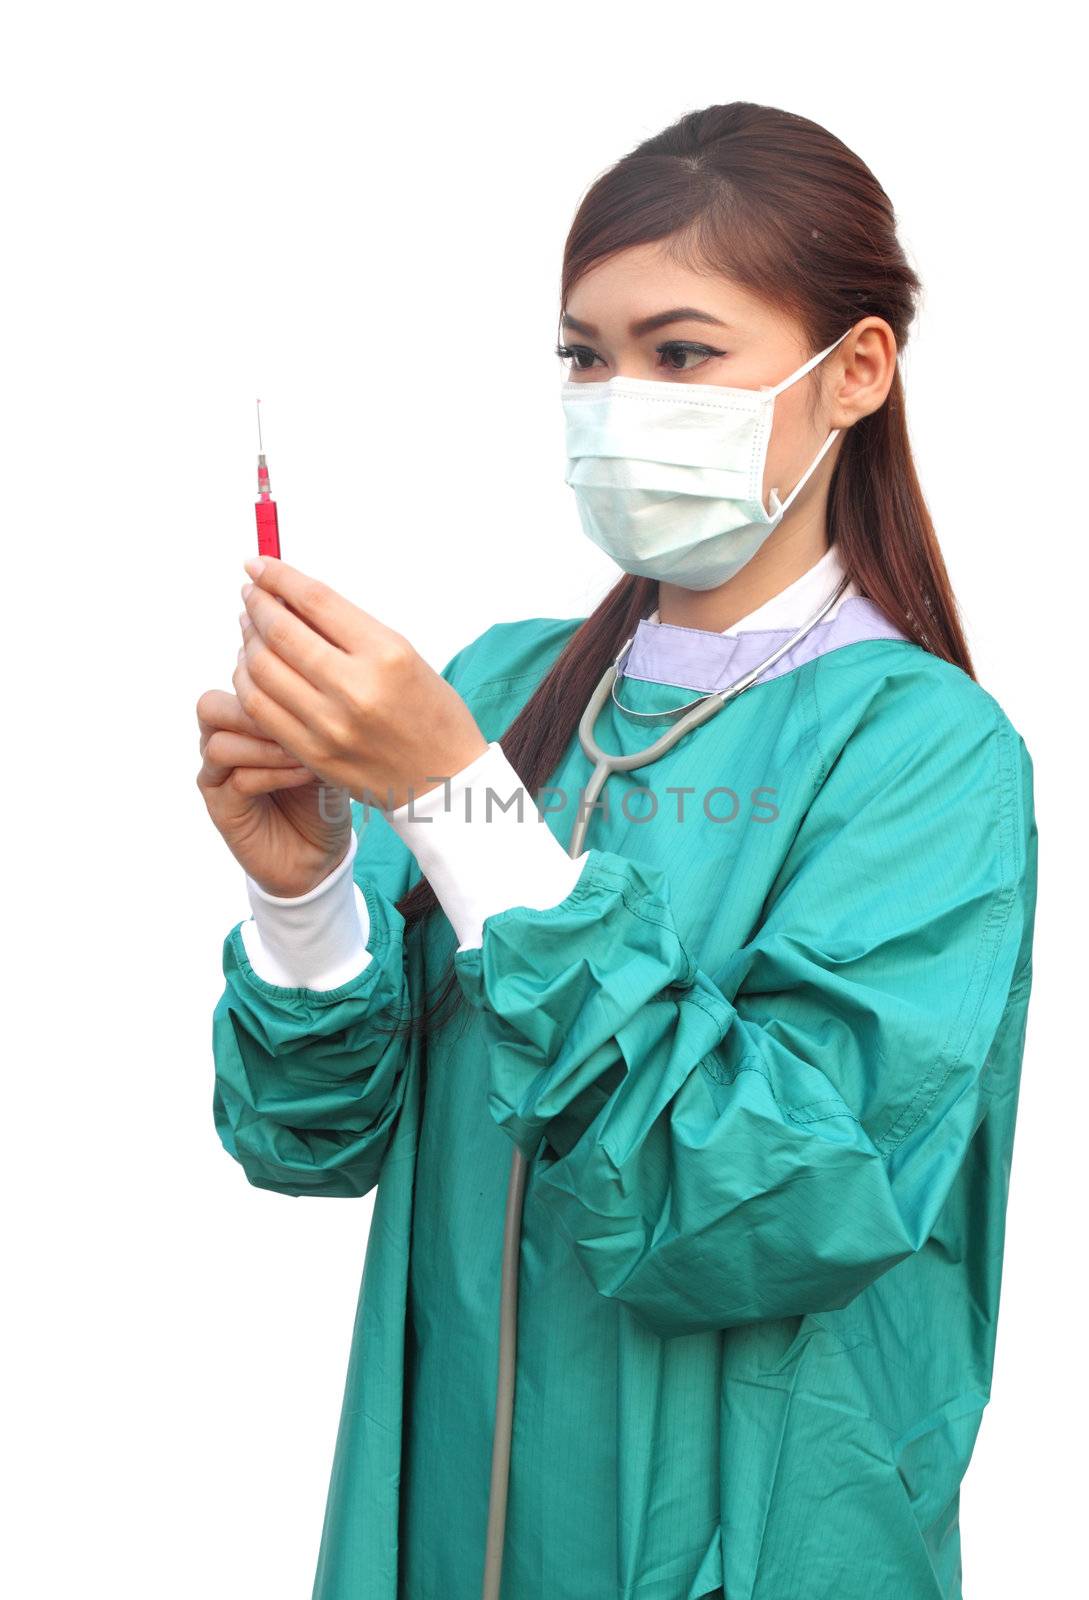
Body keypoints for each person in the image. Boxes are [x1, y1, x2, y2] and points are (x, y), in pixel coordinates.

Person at [196, 102, 1038, 1600]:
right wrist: (305, 890)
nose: (614, 397)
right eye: (583, 356)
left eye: (681, 352)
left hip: (745, 1545)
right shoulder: (507, 692)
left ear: (851, 373)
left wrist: (456, 809)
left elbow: (766, 1204)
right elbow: (306, 1140)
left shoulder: (924, 755)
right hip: (444, 1531)